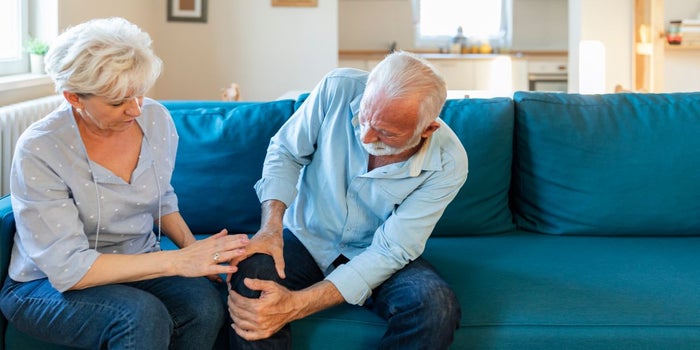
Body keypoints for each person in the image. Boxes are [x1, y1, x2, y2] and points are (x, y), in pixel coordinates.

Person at [0, 17, 249, 349]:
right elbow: (69, 269)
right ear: (74, 98)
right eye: (117, 102)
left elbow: (161, 198)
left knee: (203, 305)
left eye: (139, 94)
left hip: (137, 262)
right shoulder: (41, 148)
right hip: (47, 282)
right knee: (139, 315)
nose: (134, 109)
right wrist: (176, 261)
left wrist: (195, 251)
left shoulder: (156, 119)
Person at [227, 51, 468, 349]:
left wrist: (297, 304)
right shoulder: (337, 88)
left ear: (427, 130)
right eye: (364, 117)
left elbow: (391, 250)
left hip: (375, 250)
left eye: (385, 133)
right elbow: (285, 152)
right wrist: (271, 228)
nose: (365, 136)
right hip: (306, 237)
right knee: (251, 277)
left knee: (436, 306)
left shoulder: (449, 162)